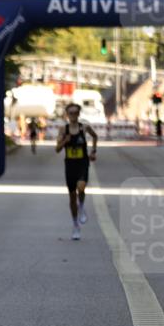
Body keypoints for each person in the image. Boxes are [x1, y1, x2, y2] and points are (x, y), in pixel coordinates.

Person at [55, 102, 98, 240]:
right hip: (70, 164)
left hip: (82, 162)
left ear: (79, 114)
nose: (73, 115)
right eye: (71, 113)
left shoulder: (84, 127)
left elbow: (95, 136)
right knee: (72, 197)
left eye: (75, 112)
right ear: (67, 115)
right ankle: (75, 225)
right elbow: (57, 149)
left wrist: (93, 151)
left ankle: (82, 206)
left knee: (81, 187)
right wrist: (64, 141)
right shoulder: (63, 130)